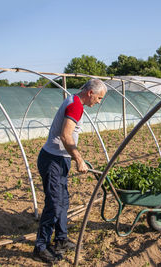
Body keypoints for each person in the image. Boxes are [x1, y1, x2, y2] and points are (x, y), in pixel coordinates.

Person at [33, 79, 107, 263]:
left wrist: (73, 157)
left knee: (63, 201)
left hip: (60, 159)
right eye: (99, 98)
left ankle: (61, 239)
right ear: (90, 93)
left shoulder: (74, 101)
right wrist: (79, 159)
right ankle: (40, 246)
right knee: (54, 204)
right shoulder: (75, 105)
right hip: (53, 160)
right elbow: (66, 136)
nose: (98, 102)